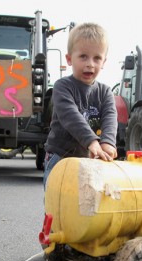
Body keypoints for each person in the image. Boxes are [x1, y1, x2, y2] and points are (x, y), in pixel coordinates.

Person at [43, 22, 117, 188]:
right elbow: (70, 115)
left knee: (85, 204)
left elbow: (110, 118)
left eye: (97, 58)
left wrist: (108, 142)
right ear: (69, 59)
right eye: (83, 56)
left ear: (104, 61)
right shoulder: (62, 86)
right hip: (60, 157)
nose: (90, 63)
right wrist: (92, 141)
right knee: (57, 204)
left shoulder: (105, 92)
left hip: (89, 159)